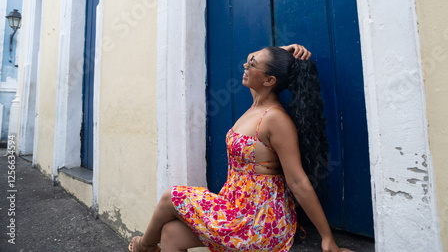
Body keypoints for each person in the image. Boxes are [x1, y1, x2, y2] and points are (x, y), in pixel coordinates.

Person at [129, 44, 353, 252]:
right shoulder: (256, 102)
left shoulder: (275, 119)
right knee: (170, 233)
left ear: (269, 81)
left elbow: (298, 182)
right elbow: (262, 64)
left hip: (260, 222)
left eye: (252, 64)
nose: (245, 66)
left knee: (171, 196)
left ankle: (144, 246)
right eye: (249, 61)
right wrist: (283, 51)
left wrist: (327, 238)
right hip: (235, 208)